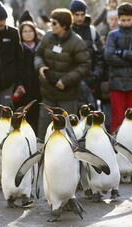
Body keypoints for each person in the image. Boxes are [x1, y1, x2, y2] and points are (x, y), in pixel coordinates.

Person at [34, 8, 91, 139]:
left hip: (67, 96)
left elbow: (85, 65)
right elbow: (38, 55)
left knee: (67, 133)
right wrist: (40, 67)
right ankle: (42, 158)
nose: (51, 25)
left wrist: (65, 80)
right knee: (43, 132)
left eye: (54, 23)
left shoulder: (77, 42)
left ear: (64, 26)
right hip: (47, 93)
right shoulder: (47, 37)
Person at [104, 2, 132, 133]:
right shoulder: (112, 35)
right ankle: (115, 148)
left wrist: (123, 53)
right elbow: (109, 57)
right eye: (123, 20)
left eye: (129, 19)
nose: (126, 22)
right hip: (116, 84)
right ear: (118, 19)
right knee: (117, 118)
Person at [70, 0, 103, 108]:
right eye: (77, 15)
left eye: (82, 14)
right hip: (71, 84)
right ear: (71, 14)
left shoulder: (92, 32)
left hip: (90, 83)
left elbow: (100, 57)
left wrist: (95, 76)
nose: (80, 18)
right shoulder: (65, 31)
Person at [13, 21, 41, 134]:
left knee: (38, 117)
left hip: (39, 88)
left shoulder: (40, 47)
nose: (28, 34)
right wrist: (18, 84)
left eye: (30, 31)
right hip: (23, 89)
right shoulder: (17, 48)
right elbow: (15, 69)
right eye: (25, 31)